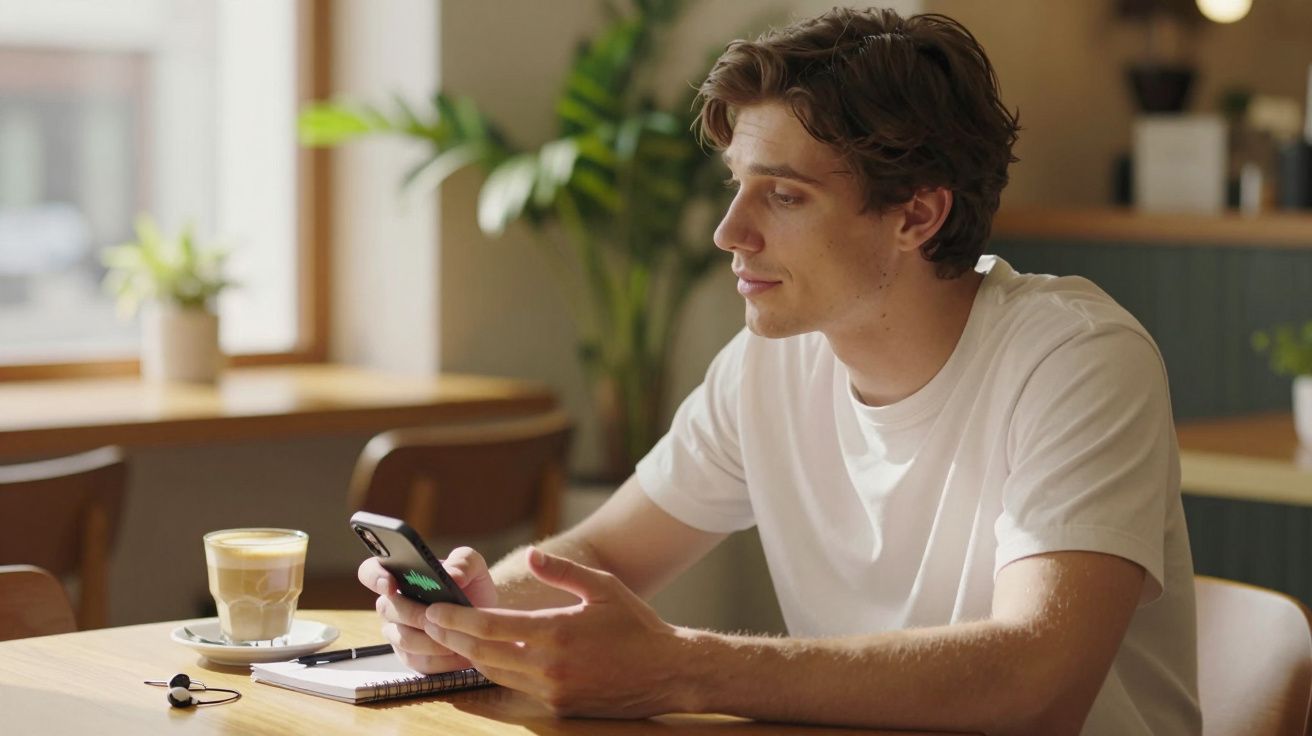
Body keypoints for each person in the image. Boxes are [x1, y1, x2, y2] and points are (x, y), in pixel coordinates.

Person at [359, 7, 1200, 734]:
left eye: (784, 195)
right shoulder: (769, 364)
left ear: (917, 213)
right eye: (735, 185)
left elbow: (1037, 684)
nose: (729, 232)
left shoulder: (1076, 360)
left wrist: (681, 668)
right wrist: (482, 616)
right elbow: (602, 554)